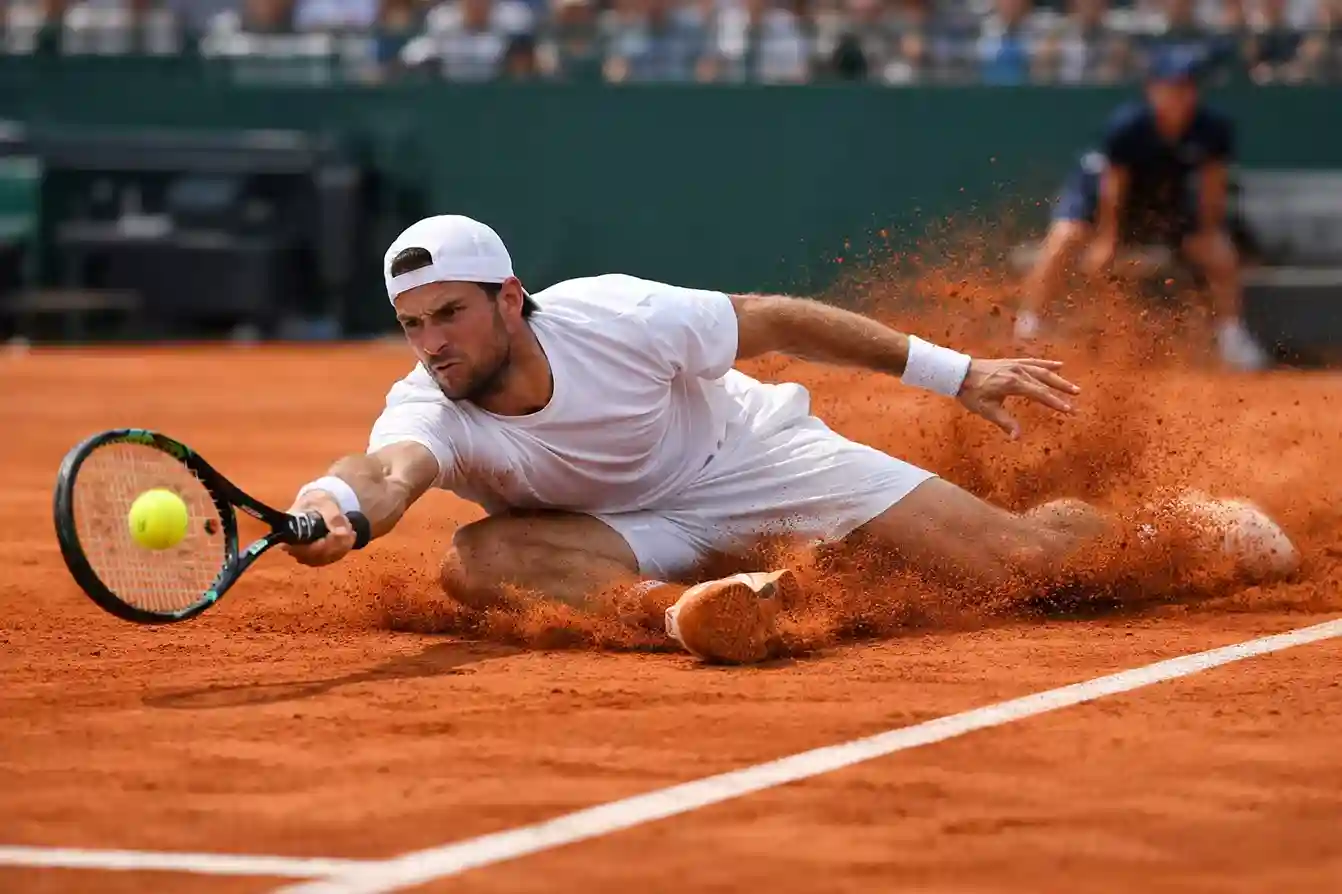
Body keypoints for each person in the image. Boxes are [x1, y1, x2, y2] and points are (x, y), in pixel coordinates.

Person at [284, 214, 1296, 664]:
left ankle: (1179, 531)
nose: (433, 344)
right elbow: (388, 470)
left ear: (509, 298)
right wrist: (336, 506)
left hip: (759, 462)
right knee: (475, 561)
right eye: (413, 325)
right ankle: (693, 616)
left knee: (1027, 567)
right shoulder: (428, 405)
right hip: (628, 537)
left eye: (450, 314)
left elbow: (772, 321)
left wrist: (957, 372)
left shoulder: (615, 315)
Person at [1015, 48, 1271, 371]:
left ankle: (1232, 337)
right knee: (1065, 237)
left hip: (1161, 201)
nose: (1181, 95)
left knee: (1219, 252)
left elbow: (1212, 187)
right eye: (1173, 86)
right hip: (1099, 195)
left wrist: (1208, 230)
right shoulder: (1128, 125)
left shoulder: (1213, 128)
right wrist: (1107, 239)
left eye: (1188, 86)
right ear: (1153, 89)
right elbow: (1114, 187)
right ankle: (1028, 327)